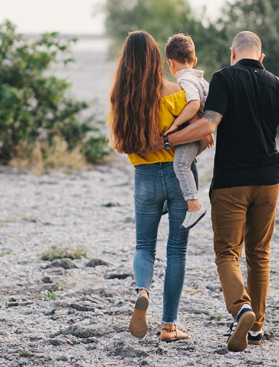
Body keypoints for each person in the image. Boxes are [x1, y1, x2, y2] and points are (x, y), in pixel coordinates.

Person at [156, 31, 279, 352]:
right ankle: (256, 328)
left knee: (227, 252)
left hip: (230, 183)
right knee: (260, 255)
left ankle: (241, 308)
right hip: (269, 181)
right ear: (261, 57)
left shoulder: (223, 79)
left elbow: (208, 124)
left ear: (232, 53)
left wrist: (170, 140)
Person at [107, 31, 213, 342]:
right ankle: (169, 326)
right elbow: (201, 135)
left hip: (145, 178)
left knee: (144, 246)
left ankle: (143, 291)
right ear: (158, 60)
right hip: (181, 177)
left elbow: (124, 146)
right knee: (176, 250)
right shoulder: (178, 93)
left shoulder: (120, 100)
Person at [162, 33, 210, 232]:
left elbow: (194, 105)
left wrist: (175, 125)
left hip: (192, 132)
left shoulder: (185, 81)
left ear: (170, 63)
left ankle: (194, 206)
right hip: (200, 132)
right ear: (194, 60)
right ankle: (177, 199)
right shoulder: (201, 80)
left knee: (180, 164)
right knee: (183, 163)